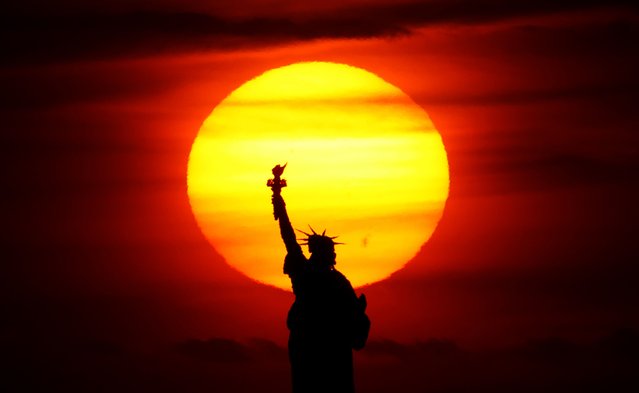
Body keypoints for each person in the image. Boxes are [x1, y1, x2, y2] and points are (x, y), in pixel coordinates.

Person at [269, 164, 369, 393]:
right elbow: (288, 234)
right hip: (314, 345)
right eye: (331, 251)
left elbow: (355, 317)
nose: (334, 255)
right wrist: (277, 196)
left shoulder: (336, 279)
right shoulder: (311, 274)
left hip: (329, 349)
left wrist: (358, 311)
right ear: (323, 252)